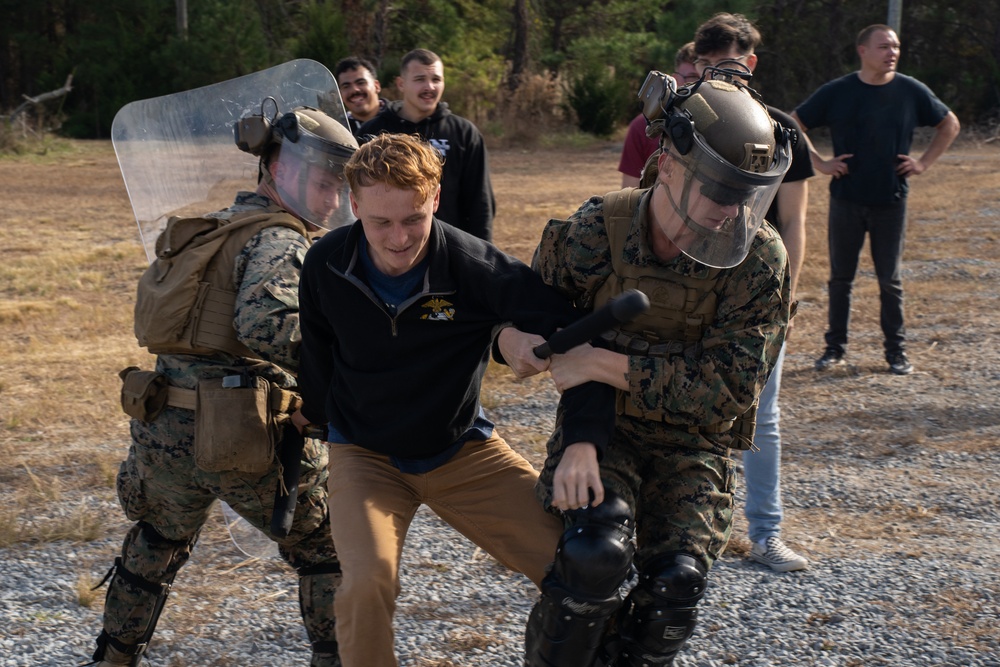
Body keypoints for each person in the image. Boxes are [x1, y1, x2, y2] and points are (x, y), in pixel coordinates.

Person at [296, 133, 613, 667]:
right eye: (380, 222)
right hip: (364, 455)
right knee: (365, 585)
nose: (398, 239)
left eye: (413, 218)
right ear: (354, 207)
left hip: (458, 451)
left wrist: (580, 435)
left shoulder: (476, 266)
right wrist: (315, 423)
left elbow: (580, 340)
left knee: (580, 565)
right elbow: (319, 358)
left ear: (436, 200)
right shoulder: (326, 262)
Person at [524, 72, 795, 666]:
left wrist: (600, 360)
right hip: (607, 432)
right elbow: (539, 320)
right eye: (719, 190)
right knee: (594, 556)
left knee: (675, 588)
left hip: (695, 447)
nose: (731, 211)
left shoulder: (759, 261)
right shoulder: (596, 232)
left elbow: (726, 389)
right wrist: (577, 435)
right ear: (668, 163)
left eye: (745, 194)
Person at [87, 106, 358, 667]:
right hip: (242, 434)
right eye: (326, 183)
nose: (333, 200)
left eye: (339, 186)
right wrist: (345, 368)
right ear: (281, 169)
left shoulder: (212, 228)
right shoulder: (280, 240)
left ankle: (112, 659)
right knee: (325, 547)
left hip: (164, 423)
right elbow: (268, 325)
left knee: (156, 543)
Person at [691, 11, 812, 572]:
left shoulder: (783, 130)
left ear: (752, 64)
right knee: (678, 408)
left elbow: (794, 222)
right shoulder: (683, 122)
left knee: (761, 418)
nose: (725, 76)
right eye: (712, 65)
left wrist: (785, 296)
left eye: (734, 64)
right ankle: (685, 532)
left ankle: (765, 534)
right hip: (688, 289)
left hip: (757, 292)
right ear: (696, 65)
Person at [792, 24, 960, 375]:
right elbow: (793, 123)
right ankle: (834, 349)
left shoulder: (910, 90)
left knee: (890, 281)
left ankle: (896, 354)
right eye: (884, 46)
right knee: (841, 279)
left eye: (896, 47)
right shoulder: (837, 91)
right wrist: (821, 163)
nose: (892, 53)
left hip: (891, 200)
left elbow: (950, 124)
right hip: (846, 200)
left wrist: (923, 162)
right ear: (863, 51)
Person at [357, 48, 496, 242]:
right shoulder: (372, 132)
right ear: (401, 84)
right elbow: (357, 197)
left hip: (449, 248)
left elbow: (480, 202)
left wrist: (482, 253)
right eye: (420, 79)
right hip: (390, 246)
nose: (429, 86)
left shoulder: (464, 133)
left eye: (436, 79)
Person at [618, 42, 698, 187]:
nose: (698, 84)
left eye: (703, 78)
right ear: (675, 79)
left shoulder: (720, 129)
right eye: (692, 77)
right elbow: (629, 191)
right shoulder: (642, 126)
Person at [334, 56, 387, 135]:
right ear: (340, 94)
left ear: (377, 86)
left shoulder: (401, 117)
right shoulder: (337, 131)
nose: (354, 90)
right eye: (346, 86)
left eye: (361, 83)